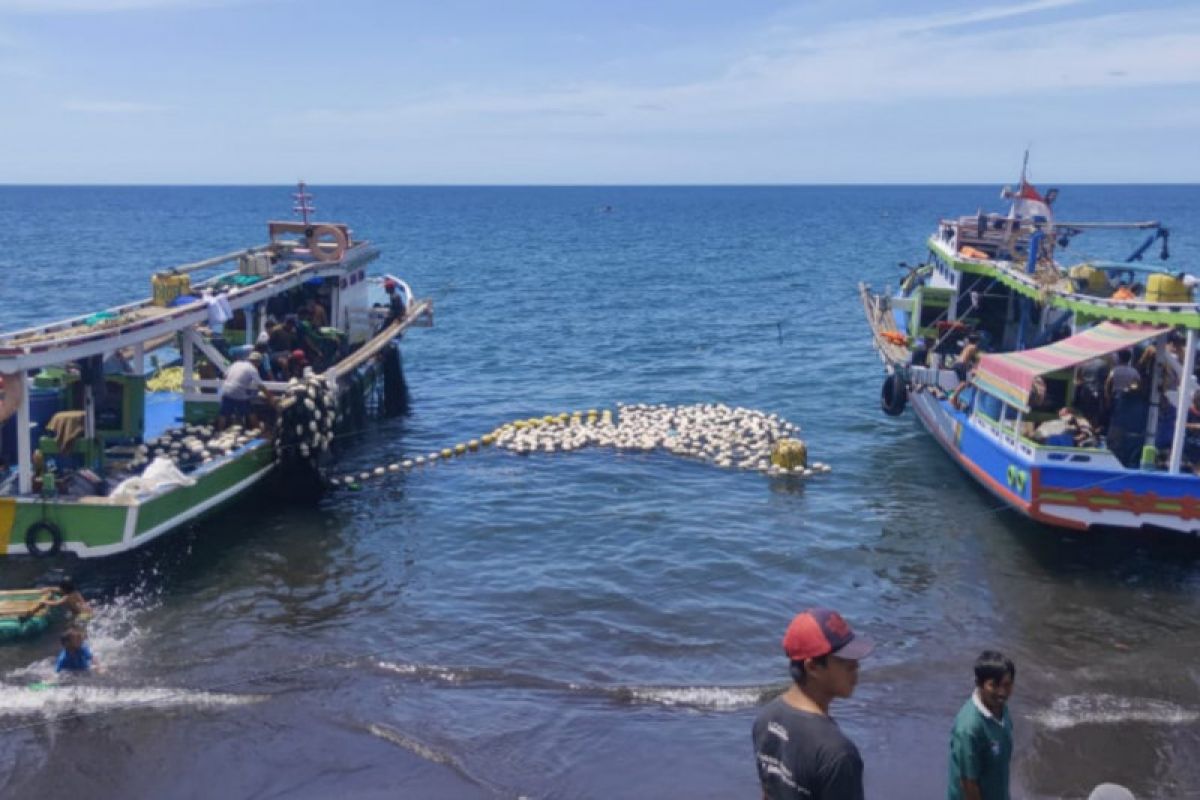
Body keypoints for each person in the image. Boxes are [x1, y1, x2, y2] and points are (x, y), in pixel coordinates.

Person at [752, 607, 875, 800]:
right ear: (813, 667)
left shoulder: (766, 719)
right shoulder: (837, 754)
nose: (856, 666)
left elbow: (768, 794)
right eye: (846, 661)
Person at [948, 650, 1015, 800]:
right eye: (994, 685)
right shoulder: (969, 728)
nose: (1002, 692)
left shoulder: (1001, 708)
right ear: (979, 684)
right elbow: (968, 783)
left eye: (1007, 685)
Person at [219, 352, 271, 429]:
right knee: (250, 411)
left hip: (226, 390)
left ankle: (219, 431)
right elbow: (260, 385)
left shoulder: (236, 364)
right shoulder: (252, 369)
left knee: (223, 414)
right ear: (257, 362)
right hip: (238, 392)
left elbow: (225, 375)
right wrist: (270, 397)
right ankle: (257, 430)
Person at [21, 576, 92, 623]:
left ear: (65, 589)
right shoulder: (76, 592)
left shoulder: (67, 597)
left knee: (71, 626)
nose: (59, 589)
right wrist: (49, 588)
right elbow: (59, 590)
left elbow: (56, 603)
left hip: (81, 615)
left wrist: (45, 601)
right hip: (88, 610)